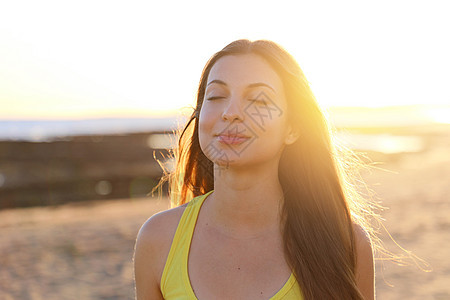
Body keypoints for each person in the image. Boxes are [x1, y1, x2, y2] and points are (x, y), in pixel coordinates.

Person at [134, 39, 375, 299]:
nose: (231, 113)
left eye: (258, 101)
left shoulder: (345, 243)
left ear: (292, 128)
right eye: (216, 96)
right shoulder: (159, 239)